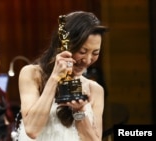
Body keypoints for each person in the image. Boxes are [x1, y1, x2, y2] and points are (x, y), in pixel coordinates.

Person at [16, 11, 107, 141]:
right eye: (82, 51)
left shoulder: (95, 90)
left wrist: (79, 112)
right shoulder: (32, 74)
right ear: (63, 46)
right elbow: (31, 129)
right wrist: (54, 79)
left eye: (95, 53)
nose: (87, 60)